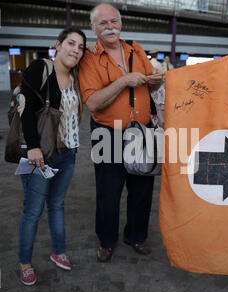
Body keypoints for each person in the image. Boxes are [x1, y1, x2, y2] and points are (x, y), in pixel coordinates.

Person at [78, 3, 163, 262]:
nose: (110, 27)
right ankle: (106, 241)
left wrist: (156, 80)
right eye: (102, 23)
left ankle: (136, 235)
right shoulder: (89, 58)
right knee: (108, 192)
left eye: (113, 21)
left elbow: (149, 80)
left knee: (142, 188)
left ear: (121, 24)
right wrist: (124, 81)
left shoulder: (135, 49)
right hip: (108, 134)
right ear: (93, 29)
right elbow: (92, 102)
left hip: (142, 131)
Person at [17, 27, 86, 286]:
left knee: (57, 205)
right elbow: (24, 107)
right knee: (32, 211)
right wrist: (33, 147)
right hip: (40, 155)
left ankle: (58, 251)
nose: (75, 50)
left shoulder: (77, 77)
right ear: (58, 44)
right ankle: (25, 262)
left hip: (68, 153)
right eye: (71, 43)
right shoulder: (40, 68)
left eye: (80, 47)